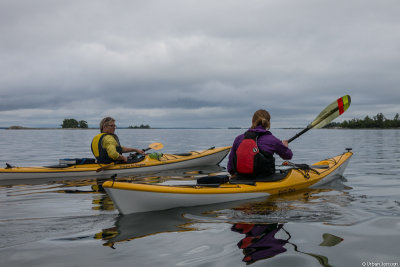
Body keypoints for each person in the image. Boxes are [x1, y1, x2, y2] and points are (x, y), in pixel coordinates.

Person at [227, 109, 293, 178]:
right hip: (265, 178)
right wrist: (285, 147)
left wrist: (233, 174)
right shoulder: (272, 140)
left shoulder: (239, 138)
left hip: (241, 177)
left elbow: (230, 165)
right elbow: (288, 156)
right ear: (268, 123)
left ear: (252, 121)